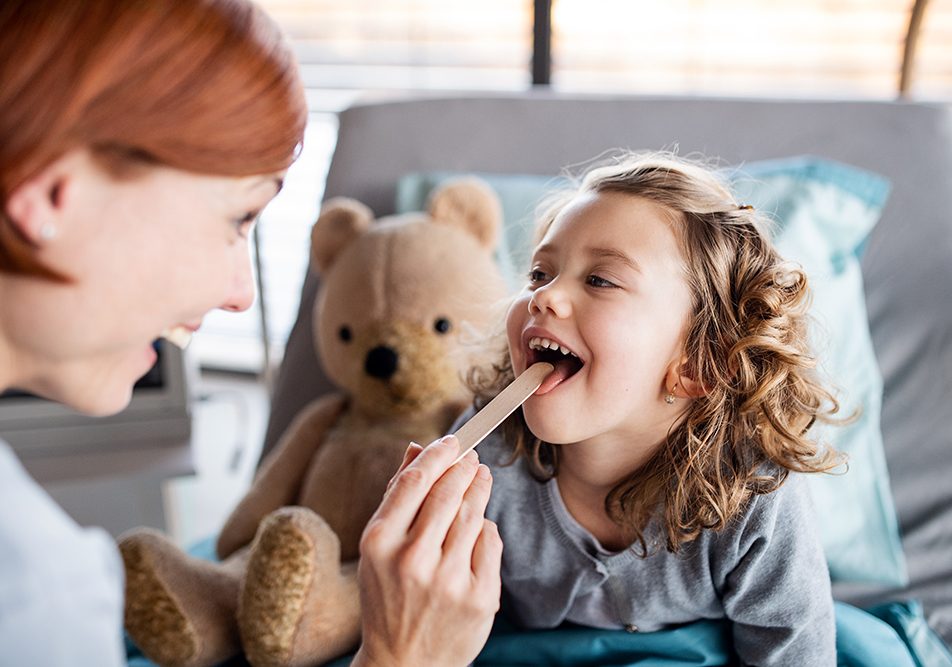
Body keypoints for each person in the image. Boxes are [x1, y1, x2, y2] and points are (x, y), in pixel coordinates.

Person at [0, 1, 500, 665]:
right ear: (51, 192)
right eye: (238, 218)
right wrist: (401, 655)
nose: (240, 294)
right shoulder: (37, 592)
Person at [464, 151, 845, 665]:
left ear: (698, 365)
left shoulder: (754, 495)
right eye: (539, 274)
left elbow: (793, 651)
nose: (544, 297)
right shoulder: (485, 451)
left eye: (600, 280)